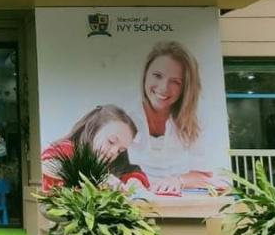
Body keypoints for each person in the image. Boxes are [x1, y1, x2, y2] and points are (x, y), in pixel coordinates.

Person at [128, 41, 228, 196]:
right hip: (135, 201)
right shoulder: (124, 114)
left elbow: (211, 177)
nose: (164, 88)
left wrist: (178, 180)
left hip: (183, 201)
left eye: (175, 82)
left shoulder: (198, 118)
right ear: (145, 74)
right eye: (157, 76)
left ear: (186, 87)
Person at [41, 104, 149, 191]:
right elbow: (48, 165)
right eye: (111, 141)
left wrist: (135, 180)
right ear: (94, 130)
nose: (113, 152)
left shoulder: (110, 159)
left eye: (120, 150)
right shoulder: (68, 148)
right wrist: (96, 178)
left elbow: (129, 170)